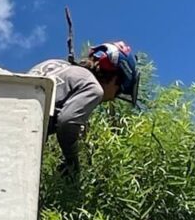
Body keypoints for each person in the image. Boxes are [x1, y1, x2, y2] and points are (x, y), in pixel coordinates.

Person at [30, 41, 139, 175]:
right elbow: (67, 122)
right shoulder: (94, 89)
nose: (113, 97)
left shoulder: (57, 65)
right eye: (118, 91)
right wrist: (72, 162)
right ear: (115, 79)